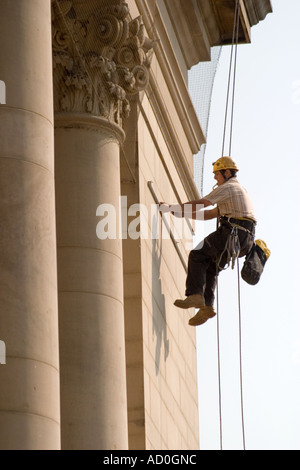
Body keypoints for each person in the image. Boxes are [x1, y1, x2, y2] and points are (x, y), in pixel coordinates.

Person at [160, 156, 256, 326]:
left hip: (232, 233)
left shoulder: (228, 187)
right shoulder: (238, 190)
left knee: (197, 255)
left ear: (227, 172)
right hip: (244, 240)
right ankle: (207, 306)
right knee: (211, 266)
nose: (215, 178)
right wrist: (183, 213)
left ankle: (194, 295)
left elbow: (203, 204)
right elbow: (210, 214)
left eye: (217, 174)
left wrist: (174, 207)